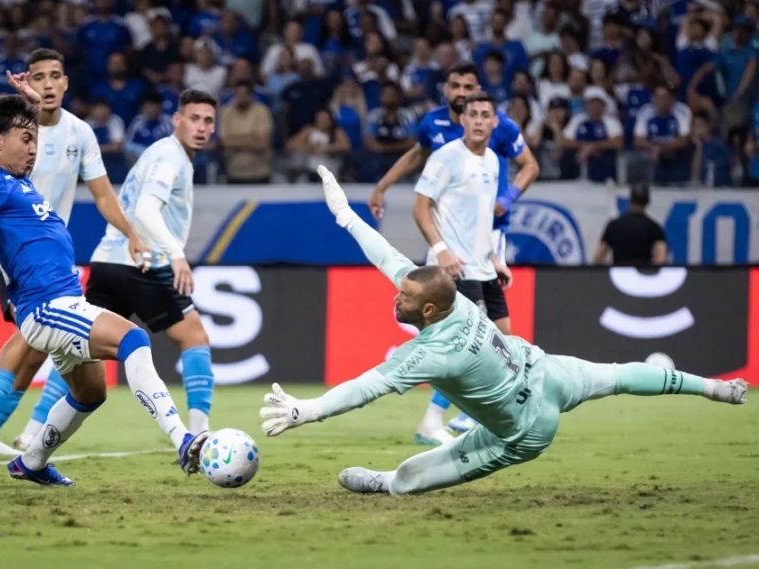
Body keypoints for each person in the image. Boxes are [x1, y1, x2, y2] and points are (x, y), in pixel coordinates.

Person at [258, 163, 747, 496]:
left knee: (412, 476)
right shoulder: (456, 301)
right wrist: (345, 216)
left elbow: (366, 388)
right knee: (620, 375)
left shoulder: (432, 353)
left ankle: (384, 483)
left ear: (427, 312)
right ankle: (716, 390)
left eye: (405, 298)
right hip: (546, 371)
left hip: (527, 429)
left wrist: (307, 410)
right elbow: (389, 258)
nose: (395, 296)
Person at [0, 94, 208, 486]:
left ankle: (31, 462)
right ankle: (182, 438)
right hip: (46, 306)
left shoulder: (20, 184)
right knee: (133, 339)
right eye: (25, 139)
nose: (33, 149)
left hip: (65, 302)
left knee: (91, 392)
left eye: (35, 139)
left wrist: (31, 107)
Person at [0, 48, 149, 455]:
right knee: (34, 332)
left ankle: (29, 428)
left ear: (65, 83)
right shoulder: (10, 133)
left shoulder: (79, 133)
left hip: (49, 254)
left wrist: (131, 233)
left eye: (54, 76)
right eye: (37, 77)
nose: (46, 84)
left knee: (52, 338)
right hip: (5, 247)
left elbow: (103, 195)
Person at [367, 61, 540, 445]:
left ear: (493, 119)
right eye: (457, 87)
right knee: (472, 342)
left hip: (486, 249)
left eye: (470, 88)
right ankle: (441, 417)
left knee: (504, 341)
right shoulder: (439, 141)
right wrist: (383, 188)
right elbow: (417, 176)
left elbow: (529, 165)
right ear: (449, 95)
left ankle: (470, 415)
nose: (464, 95)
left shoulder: (497, 148)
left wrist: (506, 212)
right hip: (455, 257)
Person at [83, 88, 219, 437]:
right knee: (194, 338)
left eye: (208, 121)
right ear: (177, 120)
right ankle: (200, 433)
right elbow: (145, 210)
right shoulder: (170, 157)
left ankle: (33, 430)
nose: (201, 127)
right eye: (194, 119)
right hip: (143, 263)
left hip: (106, 261)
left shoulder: (164, 154)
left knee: (82, 350)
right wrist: (176, 255)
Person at [593, 183, 667, 266]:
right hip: (642, 275)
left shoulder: (613, 225)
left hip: (618, 275)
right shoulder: (654, 228)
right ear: (648, 202)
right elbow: (661, 260)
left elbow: (598, 257)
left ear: (630, 200)